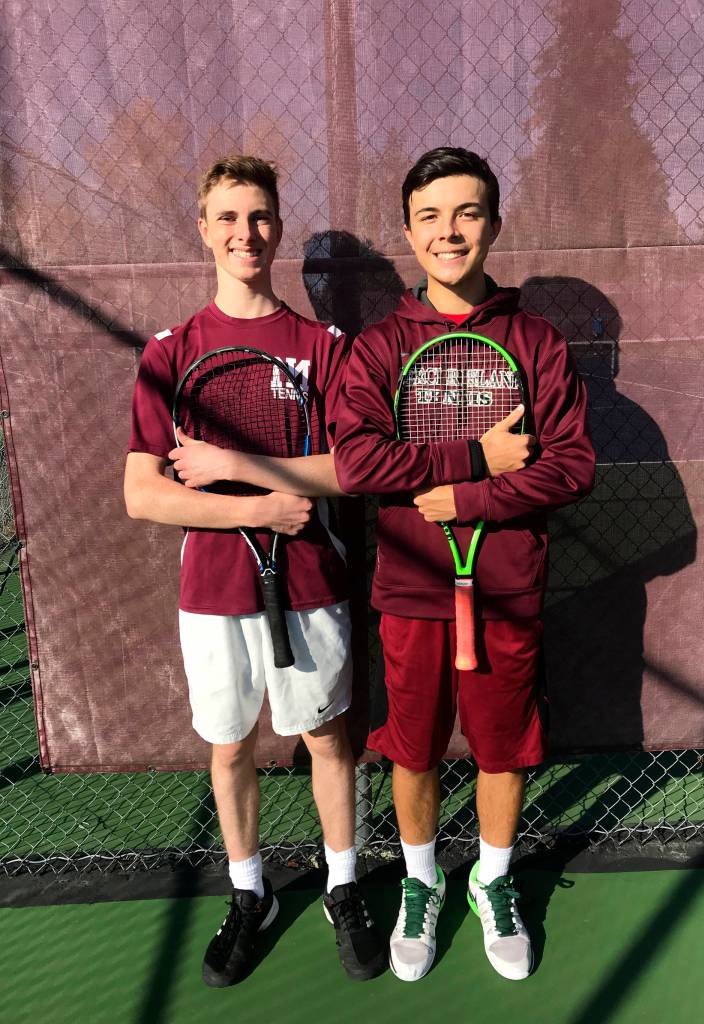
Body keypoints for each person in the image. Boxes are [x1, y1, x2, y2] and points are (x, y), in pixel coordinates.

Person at [332, 147, 596, 982]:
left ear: (494, 223)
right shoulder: (377, 350)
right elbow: (358, 462)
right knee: (411, 751)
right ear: (408, 230)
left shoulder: (537, 343)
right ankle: (419, 883)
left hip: (509, 591)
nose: (450, 233)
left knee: (502, 752)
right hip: (410, 591)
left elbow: (572, 466)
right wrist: (475, 460)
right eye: (431, 217)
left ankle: (490, 880)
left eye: (468, 213)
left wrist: (472, 500)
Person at [123, 155, 387, 987]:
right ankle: (252, 894)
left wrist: (240, 465)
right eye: (229, 218)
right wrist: (255, 509)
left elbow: (352, 470)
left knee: (323, 738)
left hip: (309, 579)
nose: (246, 233)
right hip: (213, 592)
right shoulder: (171, 352)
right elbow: (143, 495)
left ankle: (344, 887)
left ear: (278, 227)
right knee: (230, 747)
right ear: (204, 229)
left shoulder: (323, 348)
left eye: (261, 217)